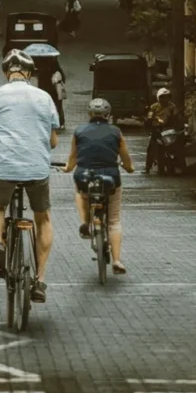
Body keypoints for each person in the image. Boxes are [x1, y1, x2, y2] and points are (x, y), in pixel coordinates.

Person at [0, 49, 59, 303]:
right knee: (43, 217)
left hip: (4, 167)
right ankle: (39, 280)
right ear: (28, 73)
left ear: (7, 73)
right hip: (37, 169)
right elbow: (52, 140)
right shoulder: (44, 97)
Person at [64, 98, 134, 274]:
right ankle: (117, 260)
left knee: (80, 193)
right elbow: (125, 158)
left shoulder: (79, 131)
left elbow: (73, 158)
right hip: (110, 177)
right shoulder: (116, 132)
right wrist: (129, 168)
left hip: (85, 176)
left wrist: (67, 168)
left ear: (89, 114)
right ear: (108, 115)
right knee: (113, 220)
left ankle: (85, 222)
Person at [145, 87, 179, 174]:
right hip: (157, 130)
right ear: (158, 98)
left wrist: (177, 126)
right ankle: (147, 167)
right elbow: (149, 118)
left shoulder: (172, 107)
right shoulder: (153, 107)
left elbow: (176, 117)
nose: (165, 99)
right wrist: (151, 128)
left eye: (167, 97)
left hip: (168, 130)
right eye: (162, 97)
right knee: (151, 149)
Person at [36, 59, 66, 130]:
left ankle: (48, 122)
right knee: (58, 106)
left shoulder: (40, 66)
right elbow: (63, 77)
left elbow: (39, 79)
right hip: (54, 89)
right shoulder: (54, 64)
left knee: (47, 106)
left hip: (45, 90)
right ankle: (61, 123)